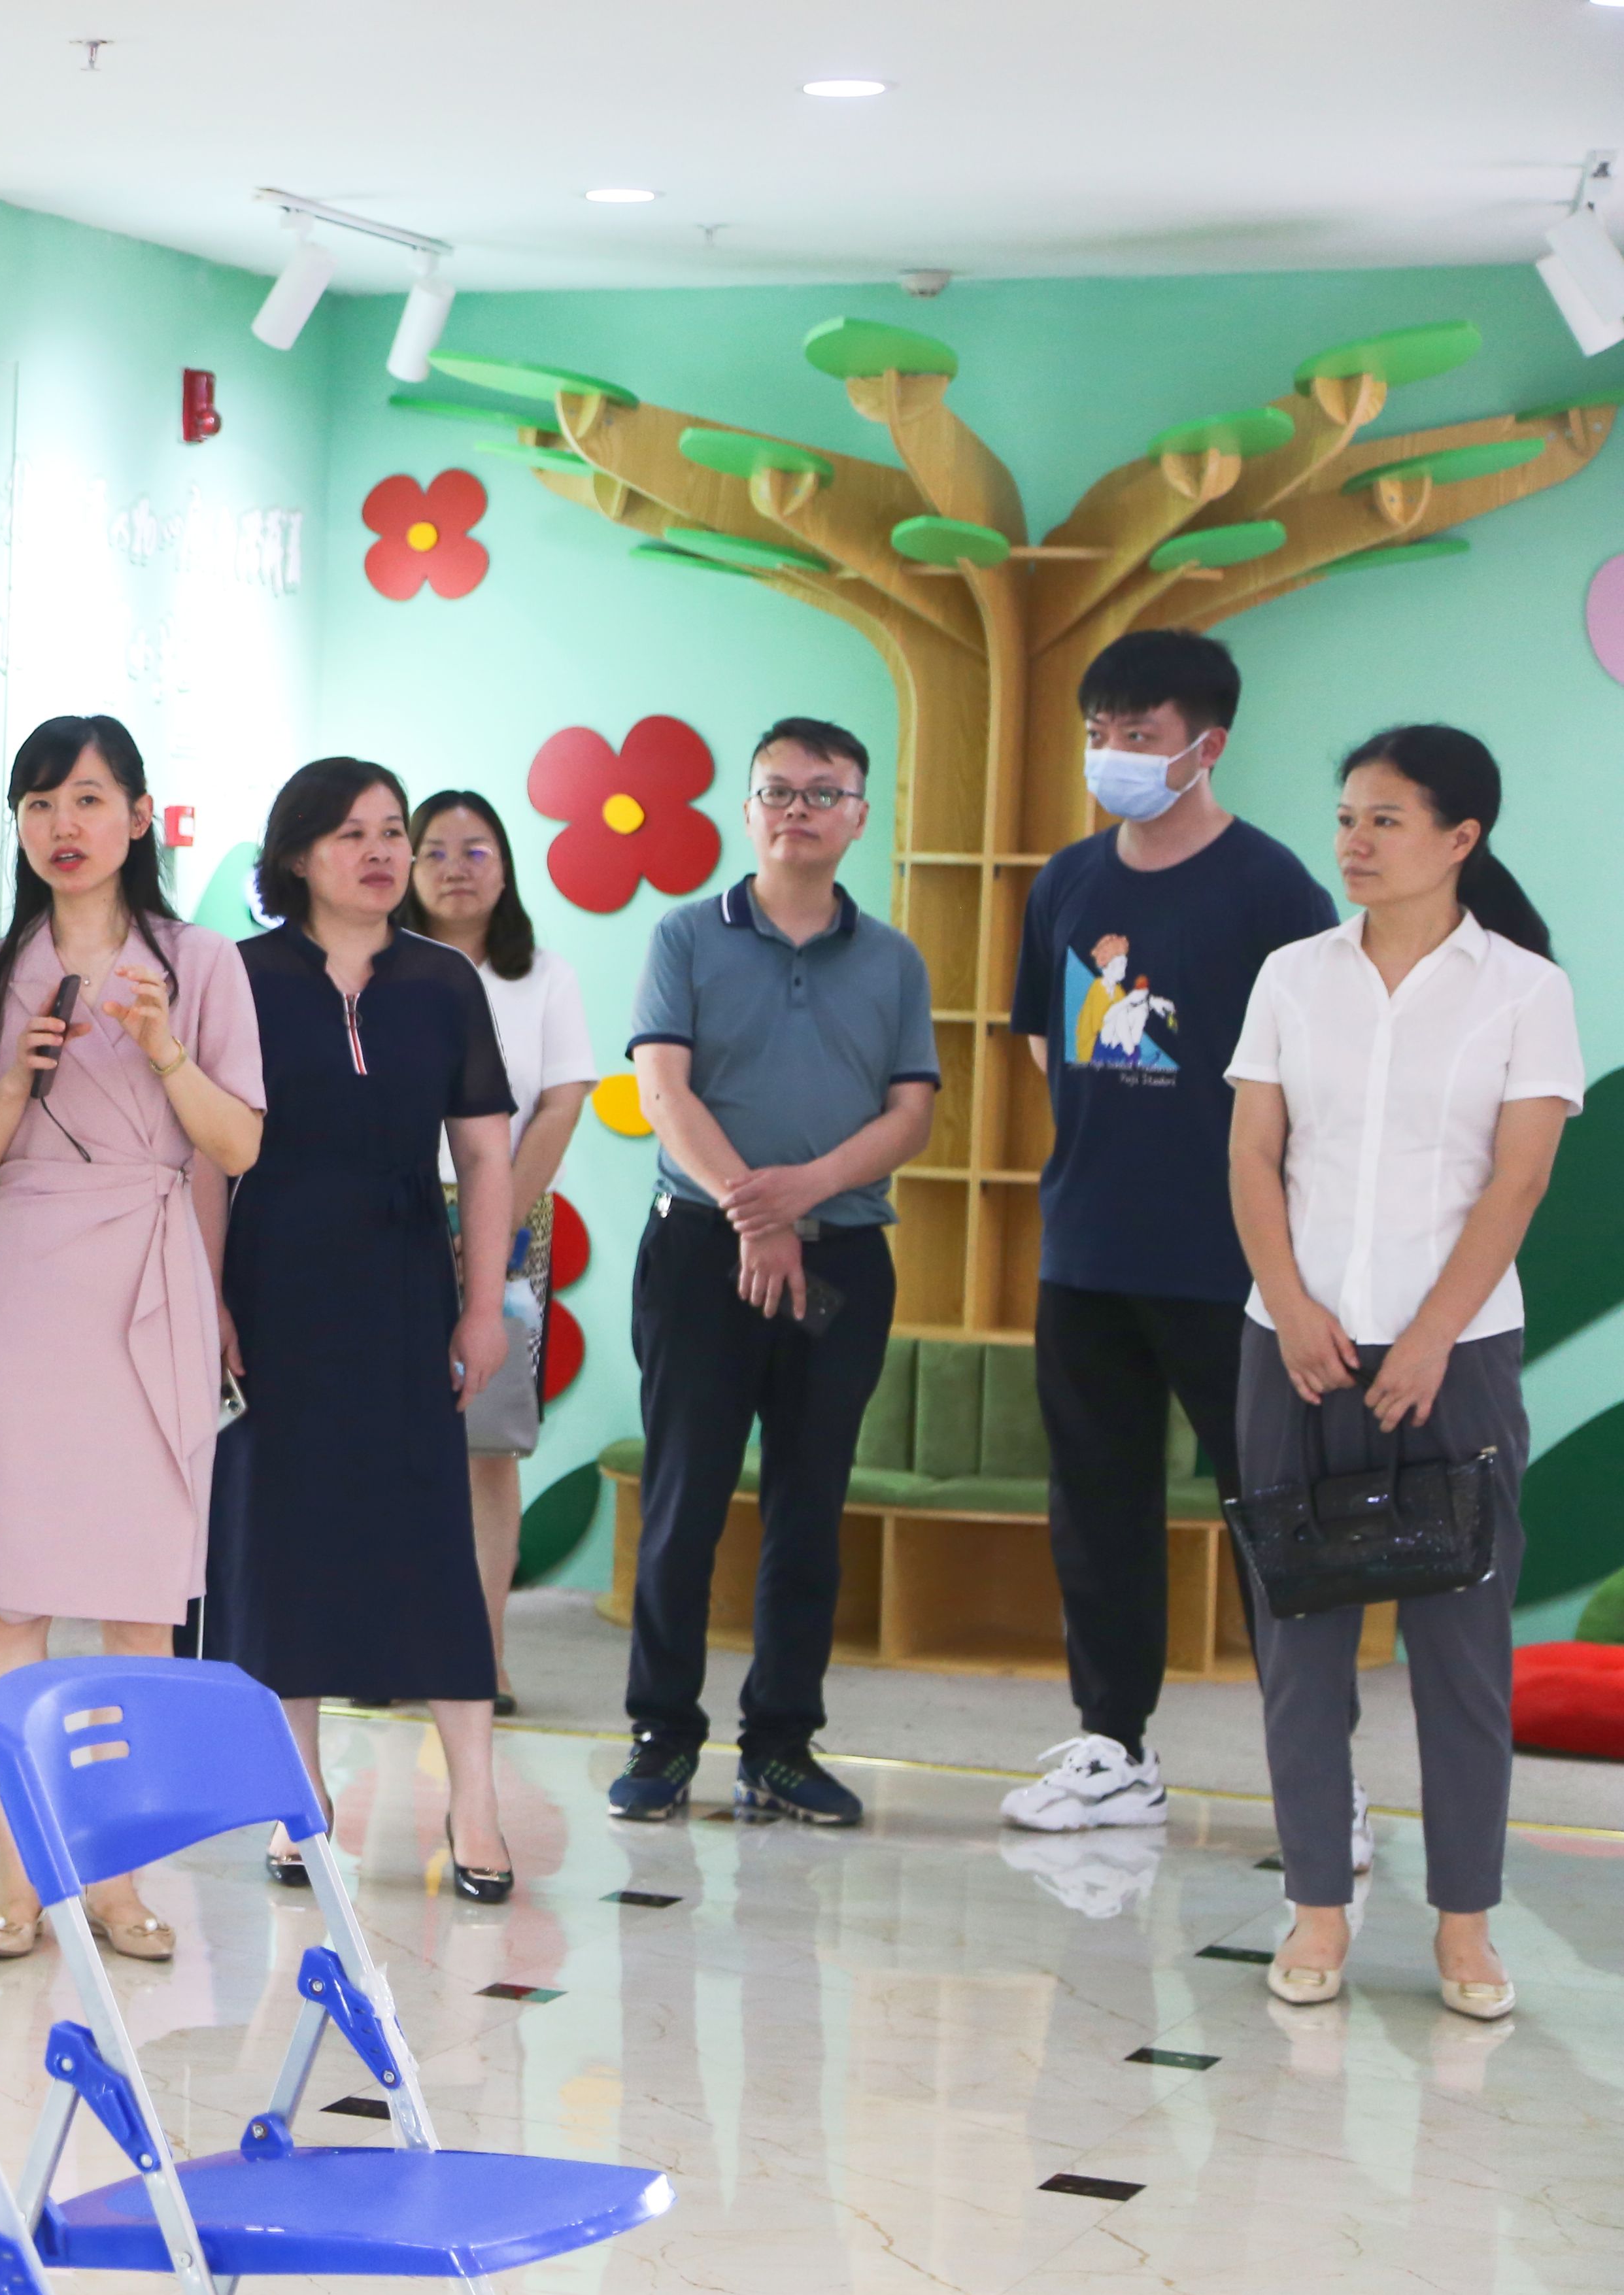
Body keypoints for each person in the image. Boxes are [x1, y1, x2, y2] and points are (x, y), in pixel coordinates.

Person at [1226, 724, 1578, 2022]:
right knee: (1299, 1647)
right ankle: (1317, 1908)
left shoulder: (1524, 989)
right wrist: (1293, 1307)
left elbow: (1518, 1180)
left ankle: (1466, 1927)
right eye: (1346, 817)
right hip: (1295, 1350)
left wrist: (1429, 1334)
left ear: (1459, 837)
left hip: (1458, 1356)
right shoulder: (1291, 975)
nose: (1354, 842)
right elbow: (1252, 1154)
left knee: (1461, 1651)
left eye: (1384, 819)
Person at [0, 715, 264, 1958]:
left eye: (85, 799)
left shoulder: (201, 963)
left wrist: (166, 1051)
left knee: (139, 1606)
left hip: (147, 1279)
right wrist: (14, 1081)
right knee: (12, 1605)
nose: (61, 826)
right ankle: (15, 1873)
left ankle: (121, 1881)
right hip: (21, 1290)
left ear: (137, 815)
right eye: (37, 804)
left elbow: (238, 1144)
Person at [999, 630, 1338, 1838]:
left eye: (1138, 735)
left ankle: (1319, 1777)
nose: (1113, 756)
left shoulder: (1275, 889)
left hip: (1232, 1264)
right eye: (1099, 733)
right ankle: (1113, 1749)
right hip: (1087, 1251)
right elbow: (1043, 1039)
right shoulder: (1066, 881)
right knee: (1096, 1510)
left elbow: (1316, 1078)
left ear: (1207, 745)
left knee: (1274, 1515)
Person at [614, 718, 937, 1828]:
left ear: (858, 815)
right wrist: (754, 1214)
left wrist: (800, 1196)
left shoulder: (893, 959)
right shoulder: (684, 935)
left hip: (841, 1255)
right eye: (777, 791)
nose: (797, 809)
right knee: (684, 1499)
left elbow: (910, 1113)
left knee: (809, 1506)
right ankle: (661, 1735)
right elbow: (663, 1091)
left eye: (822, 792)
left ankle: (781, 1745)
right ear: (748, 812)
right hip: (701, 1252)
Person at [209, 762, 515, 1898]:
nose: (383, 853)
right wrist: (210, 1296)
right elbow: (205, 1157)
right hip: (274, 1284)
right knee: (280, 1541)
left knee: (428, 1539)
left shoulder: (443, 981)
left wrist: (481, 1304)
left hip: (403, 1287)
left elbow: (483, 1154)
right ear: (296, 854)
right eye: (352, 833)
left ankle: (474, 1802)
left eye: (393, 832)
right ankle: (300, 1799)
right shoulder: (239, 978)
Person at [408, 787, 596, 1715]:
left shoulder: (543, 976)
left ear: (507, 866)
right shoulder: (383, 970)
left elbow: (563, 1101)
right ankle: (394, 1647)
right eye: (435, 850)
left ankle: (482, 1656)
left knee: (488, 1449)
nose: (456, 868)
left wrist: (493, 1220)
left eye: (476, 849)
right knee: (391, 1444)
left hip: (513, 1224)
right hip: (395, 1221)